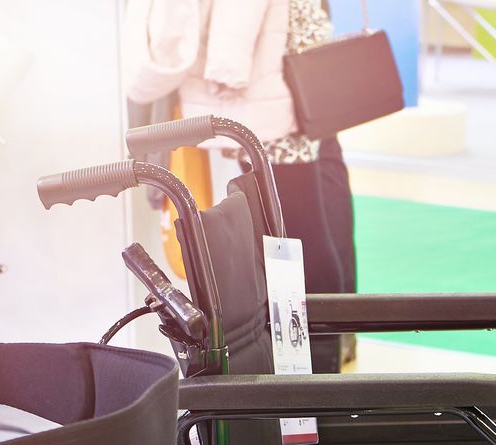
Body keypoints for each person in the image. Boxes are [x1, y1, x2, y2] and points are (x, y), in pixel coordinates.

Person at [124, 0, 360, 372]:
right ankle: (333, 347)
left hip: (271, 80)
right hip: (289, 65)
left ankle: (318, 360)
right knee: (312, 210)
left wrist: (226, 71)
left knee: (297, 227)